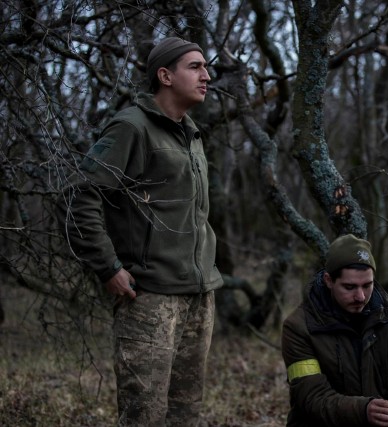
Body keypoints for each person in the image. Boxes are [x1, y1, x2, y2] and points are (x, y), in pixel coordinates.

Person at [57, 37, 223, 426]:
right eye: (195, 67)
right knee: (144, 416)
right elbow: (79, 195)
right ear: (164, 75)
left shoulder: (191, 133)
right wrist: (107, 266)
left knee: (186, 414)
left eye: (205, 67)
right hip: (149, 298)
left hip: (198, 297)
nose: (206, 76)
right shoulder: (132, 127)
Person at [281, 234, 388, 427]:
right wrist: (364, 410)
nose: (360, 296)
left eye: (367, 285)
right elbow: (312, 398)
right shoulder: (299, 327)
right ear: (328, 280)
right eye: (349, 287)